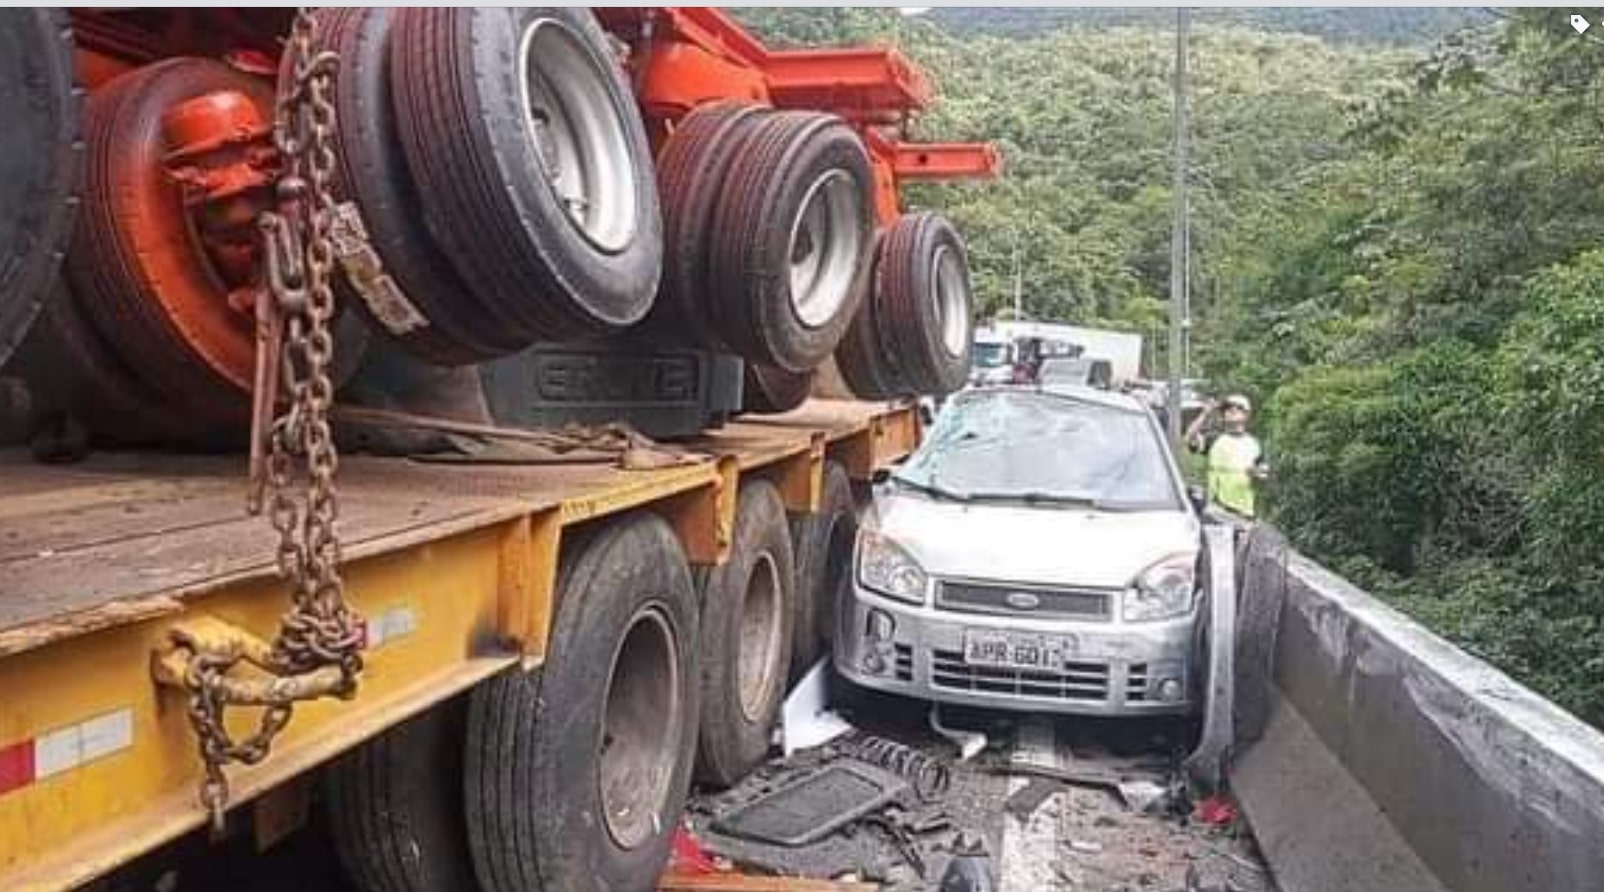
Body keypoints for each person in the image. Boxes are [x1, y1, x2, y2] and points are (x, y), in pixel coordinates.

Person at [1186, 393, 1267, 518]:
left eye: (1237, 408)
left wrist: (1256, 475)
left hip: (1243, 512)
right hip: (1215, 510)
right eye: (1227, 409)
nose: (1231, 411)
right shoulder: (1214, 439)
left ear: (1246, 415)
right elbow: (1190, 437)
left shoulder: (1254, 444)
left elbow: (1263, 480)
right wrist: (1205, 414)